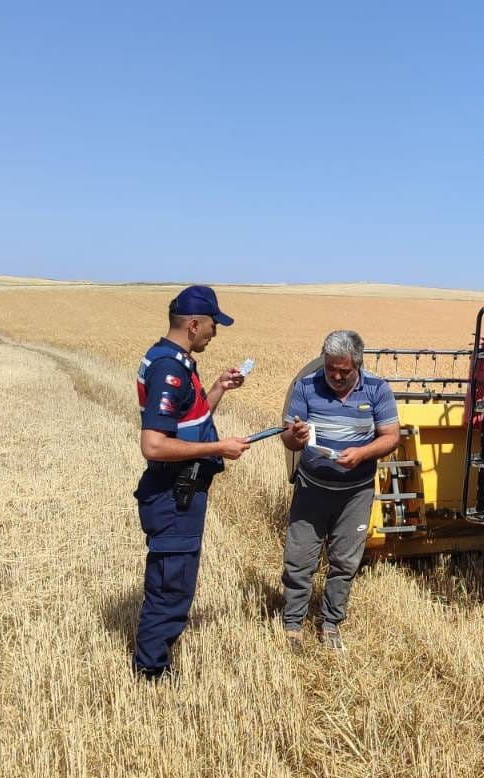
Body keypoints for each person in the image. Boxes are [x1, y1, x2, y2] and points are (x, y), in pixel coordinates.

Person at [132, 284, 251, 680]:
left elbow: (189, 422)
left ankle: (154, 663)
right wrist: (219, 446)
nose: (215, 332)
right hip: (173, 494)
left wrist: (217, 388)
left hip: (181, 492)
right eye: (214, 325)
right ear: (194, 324)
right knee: (171, 589)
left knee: (175, 582)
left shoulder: (177, 361)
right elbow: (154, 444)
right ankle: (151, 673)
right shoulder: (170, 368)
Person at [279, 329, 400, 652]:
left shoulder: (377, 389)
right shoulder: (306, 386)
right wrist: (296, 436)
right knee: (299, 559)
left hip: (355, 493)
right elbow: (288, 438)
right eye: (330, 368)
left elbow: (391, 436)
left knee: (345, 562)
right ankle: (293, 623)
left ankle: (331, 623)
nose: (335, 375)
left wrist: (362, 454)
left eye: (343, 371)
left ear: (357, 365)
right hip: (312, 488)